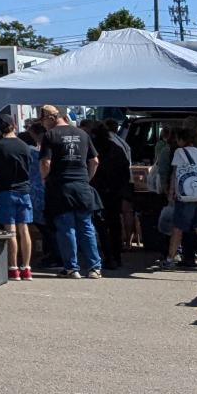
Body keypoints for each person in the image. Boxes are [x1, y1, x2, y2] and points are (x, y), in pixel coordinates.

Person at [38, 104, 102, 279]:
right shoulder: (82, 134)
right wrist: (86, 179)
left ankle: (72, 268)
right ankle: (94, 268)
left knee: (66, 227)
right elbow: (95, 161)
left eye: (43, 120)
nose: (42, 125)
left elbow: (46, 163)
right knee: (86, 226)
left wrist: (44, 178)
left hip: (60, 187)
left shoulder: (50, 135)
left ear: (51, 118)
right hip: (82, 186)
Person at [149, 123, 197, 274]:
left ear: (180, 139)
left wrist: (171, 193)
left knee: (178, 229)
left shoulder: (179, 152)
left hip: (185, 196)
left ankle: (170, 260)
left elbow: (175, 174)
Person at [0, 117, 39, 282]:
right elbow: (29, 165)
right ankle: (27, 268)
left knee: (10, 231)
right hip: (24, 190)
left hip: (5, 190)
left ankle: (13, 268)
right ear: (14, 126)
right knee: (24, 230)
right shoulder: (25, 146)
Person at [88, 120, 133, 270]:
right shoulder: (117, 148)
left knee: (101, 225)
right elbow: (125, 171)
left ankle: (108, 256)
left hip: (97, 190)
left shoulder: (93, 149)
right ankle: (117, 256)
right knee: (114, 224)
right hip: (114, 191)